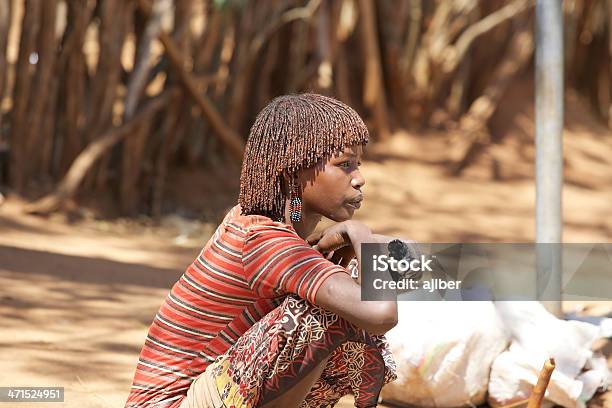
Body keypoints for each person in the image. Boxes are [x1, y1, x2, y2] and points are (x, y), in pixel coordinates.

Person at [125, 94, 398, 408]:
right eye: (344, 165)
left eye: (358, 165)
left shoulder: (261, 226)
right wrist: (361, 234)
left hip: (206, 394)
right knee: (324, 310)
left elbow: (409, 263)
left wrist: (369, 246)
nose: (360, 178)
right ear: (293, 173)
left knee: (360, 275)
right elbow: (381, 315)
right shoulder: (264, 241)